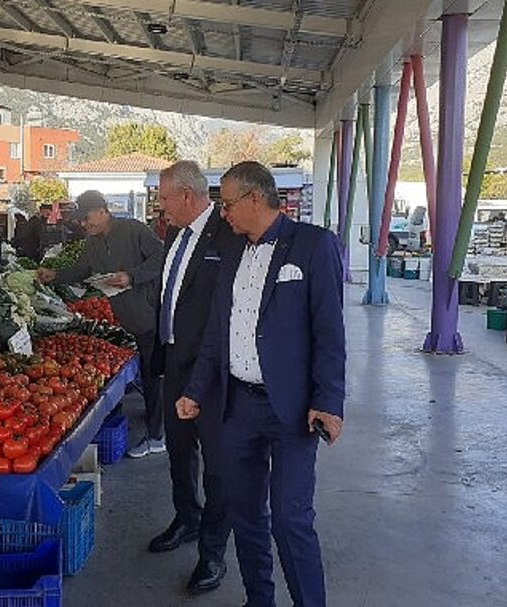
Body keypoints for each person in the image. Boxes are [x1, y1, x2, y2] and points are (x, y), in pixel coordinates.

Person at [177, 161, 345, 607]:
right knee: (245, 514)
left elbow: (330, 333)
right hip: (237, 406)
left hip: (292, 408)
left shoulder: (313, 245)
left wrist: (329, 401)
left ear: (255, 199)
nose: (223, 213)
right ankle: (259, 599)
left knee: (290, 519)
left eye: (228, 204)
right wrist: (195, 389)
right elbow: (218, 330)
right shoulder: (231, 249)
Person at [150, 161, 239, 593]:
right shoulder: (174, 235)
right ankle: (187, 517)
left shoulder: (228, 236)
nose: (160, 206)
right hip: (173, 362)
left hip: (211, 371)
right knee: (179, 450)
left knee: (218, 465)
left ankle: (213, 552)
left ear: (187, 196)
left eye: (165, 198)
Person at [36, 190, 165, 457]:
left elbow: (161, 257)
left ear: (102, 210)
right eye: (81, 221)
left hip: (150, 313)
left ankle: (157, 436)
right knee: (147, 372)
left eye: (87, 218)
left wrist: (132, 276)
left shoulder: (133, 230)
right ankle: (156, 416)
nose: (84, 224)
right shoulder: (92, 243)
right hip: (125, 316)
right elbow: (82, 270)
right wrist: (54, 275)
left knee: (154, 373)